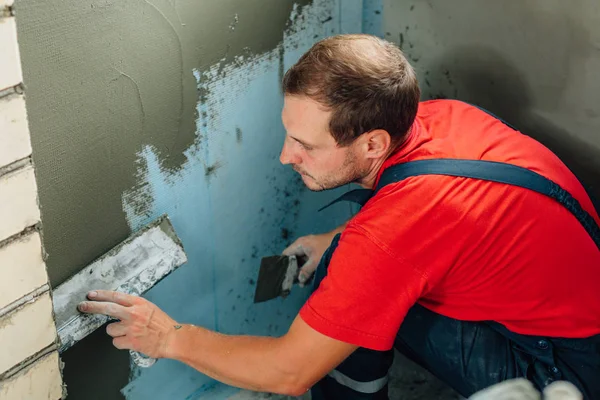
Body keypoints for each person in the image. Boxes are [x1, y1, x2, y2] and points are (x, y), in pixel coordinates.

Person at [78, 34, 600, 399]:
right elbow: (434, 219)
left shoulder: (389, 237)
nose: (286, 156)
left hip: (569, 371)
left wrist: (169, 337)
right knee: (345, 270)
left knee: (343, 304)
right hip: (572, 313)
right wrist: (335, 237)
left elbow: (290, 371)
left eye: (304, 143)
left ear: (373, 141)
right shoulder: (441, 118)